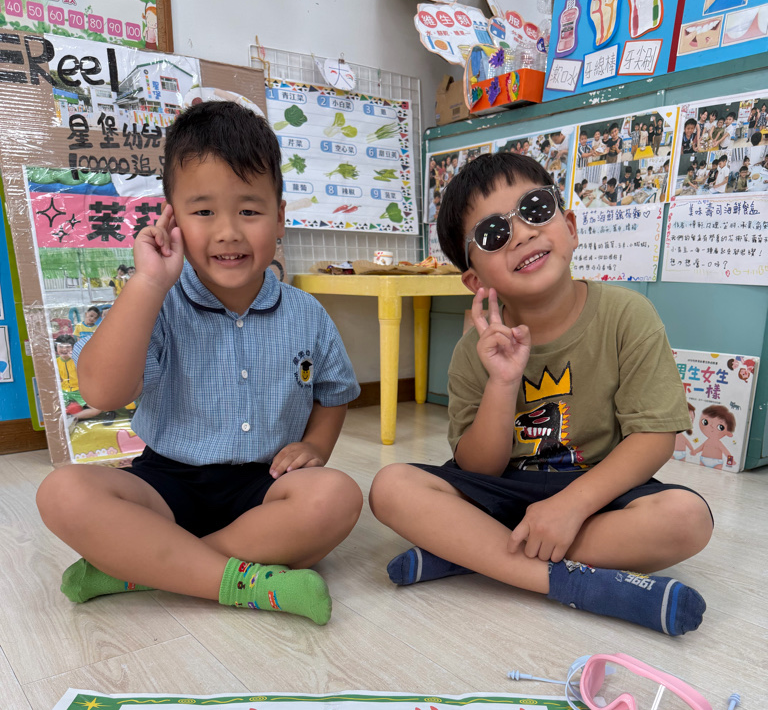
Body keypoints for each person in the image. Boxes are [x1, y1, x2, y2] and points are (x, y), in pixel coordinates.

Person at [37, 101, 363, 625]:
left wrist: (315, 446)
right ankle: (238, 580)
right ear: (171, 217)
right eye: (203, 212)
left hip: (265, 487)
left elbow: (334, 393)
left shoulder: (307, 313)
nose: (228, 231)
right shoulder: (156, 302)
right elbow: (101, 393)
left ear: (281, 217)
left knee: (337, 497)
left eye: (249, 211)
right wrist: (147, 283)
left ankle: (141, 568)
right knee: (63, 492)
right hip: (165, 484)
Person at [369, 152, 712, 637]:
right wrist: (502, 382)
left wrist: (571, 506)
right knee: (391, 487)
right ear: (475, 280)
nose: (522, 233)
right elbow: (478, 467)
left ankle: (472, 553)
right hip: (504, 490)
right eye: (493, 233)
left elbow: (654, 437)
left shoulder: (627, 315)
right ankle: (571, 582)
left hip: (596, 491)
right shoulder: (472, 352)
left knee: (686, 519)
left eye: (535, 209)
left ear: (569, 226)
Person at [55, 335, 103, 428]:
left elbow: (87, 373)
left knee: (97, 409)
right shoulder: (55, 362)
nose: (64, 349)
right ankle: (65, 419)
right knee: (55, 411)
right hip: (64, 392)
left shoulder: (78, 360)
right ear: (56, 347)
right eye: (61, 346)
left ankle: (72, 417)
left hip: (79, 391)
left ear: (73, 348)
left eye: (68, 347)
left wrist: (75, 358)